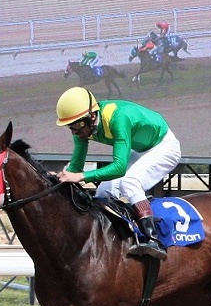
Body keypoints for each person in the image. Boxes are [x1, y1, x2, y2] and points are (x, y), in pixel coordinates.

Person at [55, 86, 182, 261]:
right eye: (70, 126)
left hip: (164, 147)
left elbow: (119, 167)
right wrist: (59, 179)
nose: (75, 131)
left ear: (92, 116)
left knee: (129, 182)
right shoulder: (83, 127)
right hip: (139, 150)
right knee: (103, 191)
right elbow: (75, 168)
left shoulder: (118, 118)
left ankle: (153, 239)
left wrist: (82, 176)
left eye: (78, 125)